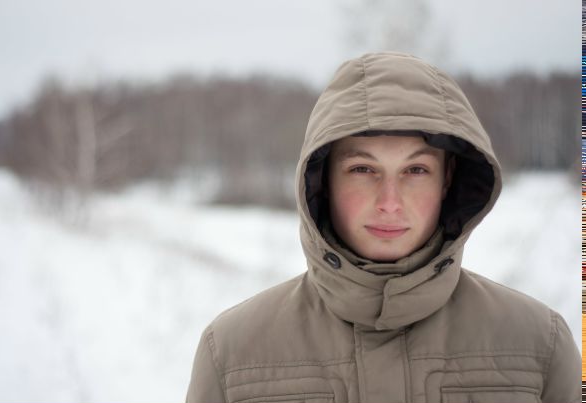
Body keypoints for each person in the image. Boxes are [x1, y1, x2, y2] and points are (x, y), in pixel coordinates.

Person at [186, 52, 580, 403]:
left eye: (416, 170)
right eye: (362, 169)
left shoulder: (539, 347)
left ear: (447, 180)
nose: (390, 202)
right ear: (323, 180)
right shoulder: (232, 356)